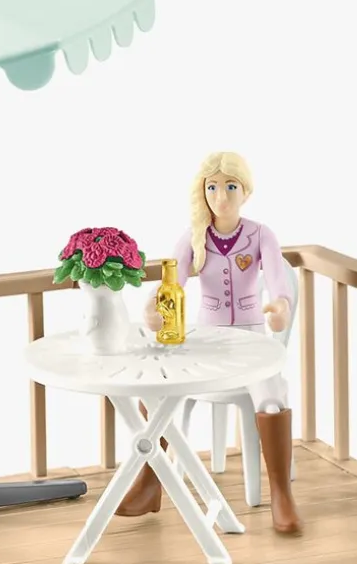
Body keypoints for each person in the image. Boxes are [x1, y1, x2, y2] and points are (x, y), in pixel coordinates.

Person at [117, 150, 302, 533]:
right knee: (157, 386)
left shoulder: (260, 235)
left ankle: (282, 495)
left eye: (230, 187)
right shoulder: (194, 237)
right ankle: (151, 482)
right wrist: (153, 306)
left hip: (252, 340)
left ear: (245, 191)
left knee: (270, 396)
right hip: (206, 339)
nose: (221, 196)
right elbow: (172, 282)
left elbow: (278, 281)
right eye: (213, 187)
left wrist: (281, 306)